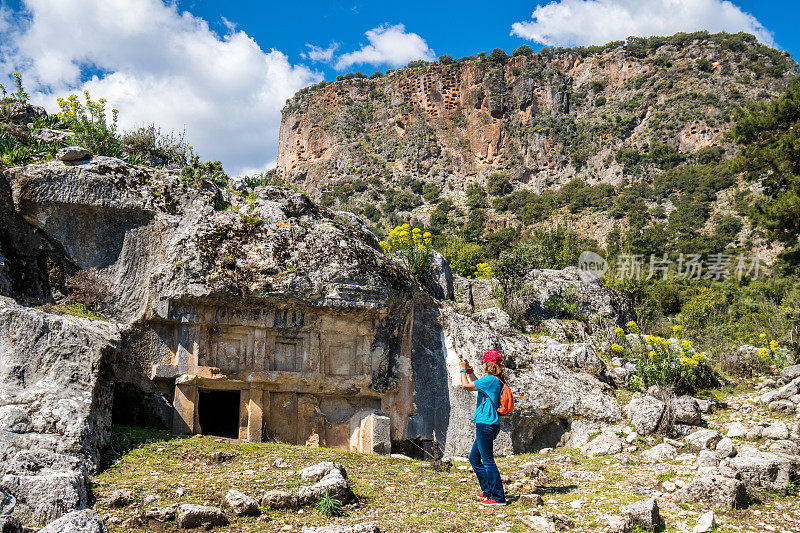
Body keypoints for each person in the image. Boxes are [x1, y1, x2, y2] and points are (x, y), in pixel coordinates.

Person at [459, 349, 507, 506]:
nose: (483, 365)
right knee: (474, 458)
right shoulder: (494, 380)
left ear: (490, 364)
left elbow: (466, 385)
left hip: (485, 423)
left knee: (487, 460)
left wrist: (462, 370)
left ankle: (498, 497)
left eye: (484, 363)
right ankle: (488, 491)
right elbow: (477, 383)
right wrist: (470, 371)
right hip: (490, 423)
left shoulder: (491, 380)